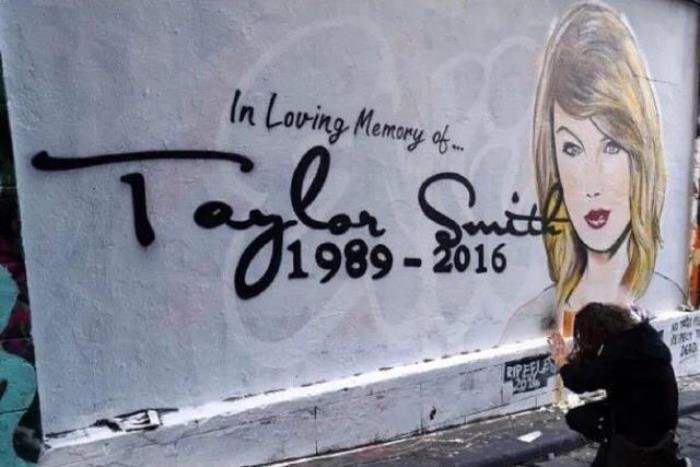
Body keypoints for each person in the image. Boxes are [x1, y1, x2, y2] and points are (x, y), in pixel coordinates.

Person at [501, 2, 684, 344]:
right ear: (553, 161)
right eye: (572, 149)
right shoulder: (526, 322)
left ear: (640, 156)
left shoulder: (667, 297)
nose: (591, 183)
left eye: (611, 146)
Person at [548, 302, 689, 466]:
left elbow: (582, 381)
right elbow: (595, 370)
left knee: (582, 418)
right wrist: (569, 360)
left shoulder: (619, 352)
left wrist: (562, 361)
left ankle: (635, 454)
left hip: (640, 428)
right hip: (664, 420)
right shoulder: (640, 339)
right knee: (587, 419)